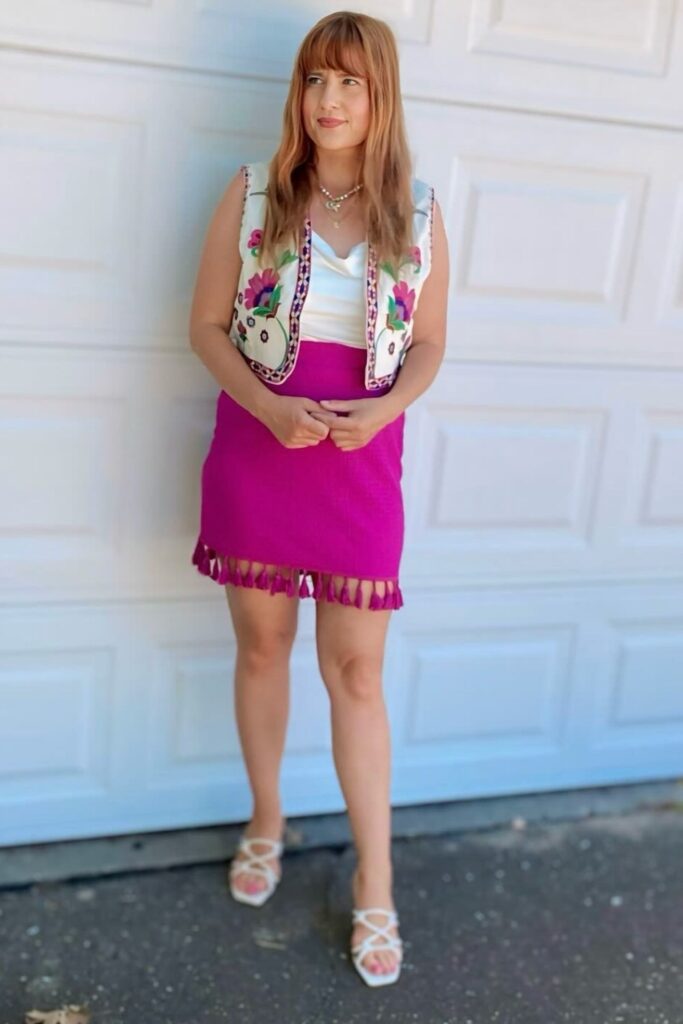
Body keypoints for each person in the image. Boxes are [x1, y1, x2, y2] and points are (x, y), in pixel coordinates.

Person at [188, 10, 448, 987]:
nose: (329, 101)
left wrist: (379, 417)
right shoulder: (253, 195)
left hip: (357, 463)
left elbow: (427, 345)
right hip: (259, 451)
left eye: (350, 84)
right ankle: (267, 819)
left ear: (379, 99)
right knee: (260, 644)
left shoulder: (416, 213)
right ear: (298, 94)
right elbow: (206, 326)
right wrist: (265, 402)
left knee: (357, 676)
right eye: (314, 82)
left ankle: (374, 881)